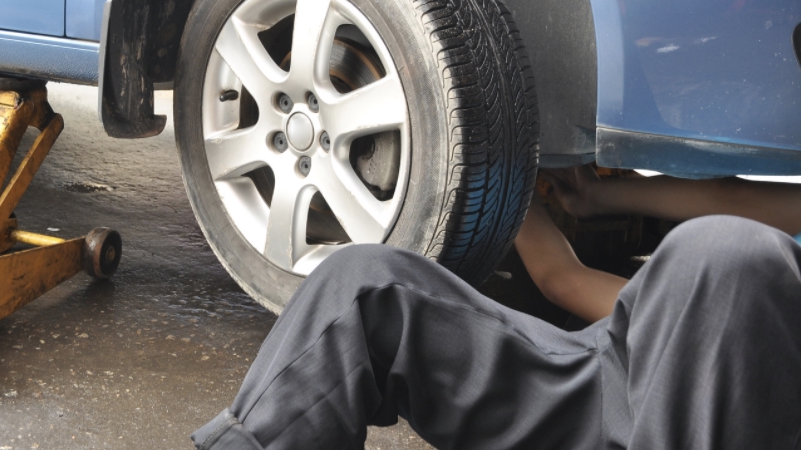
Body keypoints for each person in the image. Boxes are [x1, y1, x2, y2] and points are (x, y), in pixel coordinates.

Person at [193, 169, 801, 449]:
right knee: (366, 285)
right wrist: (519, 178)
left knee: (731, 256)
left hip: (753, 399)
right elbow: (563, 279)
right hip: (622, 377)